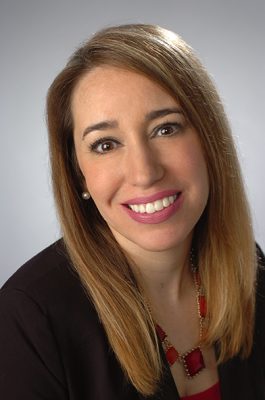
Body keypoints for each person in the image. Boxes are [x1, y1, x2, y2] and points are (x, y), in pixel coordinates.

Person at [0, 24, 264, 400]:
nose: (145, 173)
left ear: (209, 140)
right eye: (106, 144)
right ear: (78, 175)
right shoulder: (27, 319)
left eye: (165, 129)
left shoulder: (248, 268)